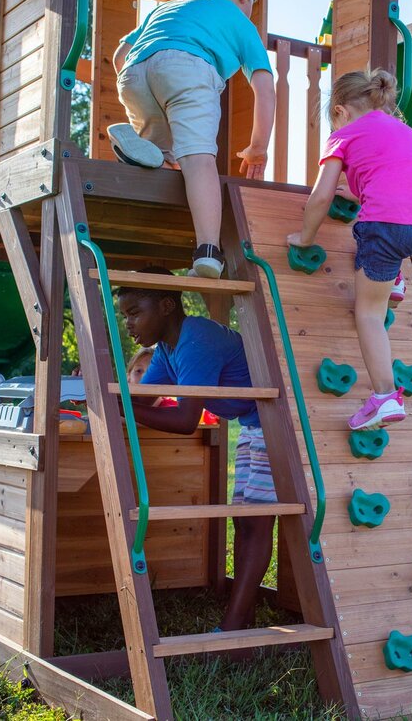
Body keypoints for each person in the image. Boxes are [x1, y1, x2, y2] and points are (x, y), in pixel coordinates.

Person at [287, 68, 412, 431]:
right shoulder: (404, 131)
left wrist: (305, 237)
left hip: (389, 227)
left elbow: (321, 198)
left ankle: (383, 397)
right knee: (395, 240)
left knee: (368, 313)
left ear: (341, 111)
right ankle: (393, 278)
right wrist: (363, 191)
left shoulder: (343, 135)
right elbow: (404, 181)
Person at [117, 268, 275, 631]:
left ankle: (234, 626)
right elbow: (147, 400)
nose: (129, 324)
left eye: (135, 312)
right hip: (254, 424)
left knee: (258, 520)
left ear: (167, 306)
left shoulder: (196, 338)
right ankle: (244, 612)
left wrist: (121, 409)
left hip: (277, 423)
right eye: (125, 315)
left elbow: (186, 418)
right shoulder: (167, 350)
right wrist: (117, 404)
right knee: (245, 520)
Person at [110, 0, 275, 279]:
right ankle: (209, 252)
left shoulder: (168, 8)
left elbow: (120, 56)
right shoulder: (239, 19)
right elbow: (264, 87)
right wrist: (257, 148)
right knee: (198, 158)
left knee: (165, 156)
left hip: (134, 73)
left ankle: (147, 154)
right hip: (188, 68)